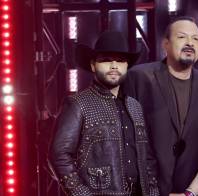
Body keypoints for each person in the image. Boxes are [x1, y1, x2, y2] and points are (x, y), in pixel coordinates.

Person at [124, 16, 198, 196]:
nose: (190, 43)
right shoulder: (139, 79)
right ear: (165, 44)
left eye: (195, 39)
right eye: (182, 37)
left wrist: (190, 193)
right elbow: (127, 140)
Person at [49, 31, 159, 196]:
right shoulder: (79, 104)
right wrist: (81, 193)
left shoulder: (135, 106)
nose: (114, 66)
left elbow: (147, 159)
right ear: (93, 65)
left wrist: (153, 191)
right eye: (106, 60)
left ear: (127, 66)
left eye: (121, 61)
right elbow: (58, 156)